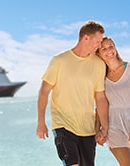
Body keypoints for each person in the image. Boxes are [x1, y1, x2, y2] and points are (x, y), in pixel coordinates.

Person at [36, 20, 109, 166]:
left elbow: (100, 98)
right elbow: (44, 91)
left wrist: (104, 126)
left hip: (88, 128)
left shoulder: (98, 64)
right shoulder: (59, 61)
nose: (99, 46)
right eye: (98, 41)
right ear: (86, 38)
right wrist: (41, 122)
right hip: (63, 126)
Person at [96, 36, 130, 166]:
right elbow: (100, 105)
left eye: (111, 46)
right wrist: (97, 129)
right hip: (112, 124)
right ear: (99, 53)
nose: (109, 51)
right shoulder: (100, 77)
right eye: (104, 49)